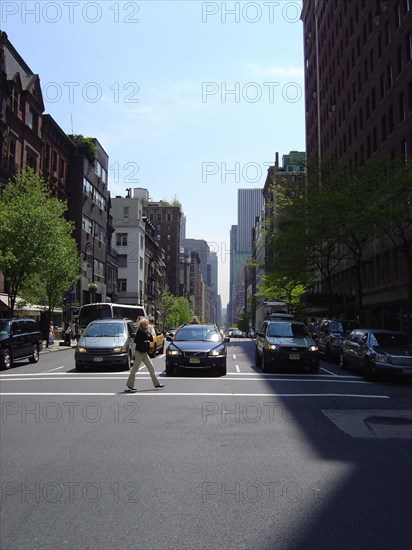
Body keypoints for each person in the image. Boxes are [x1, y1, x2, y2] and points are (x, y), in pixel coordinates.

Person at [126, 317, 164, 391]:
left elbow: (151, 339)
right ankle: (130, 384)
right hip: (140, 352)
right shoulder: (139, 332)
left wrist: (148, 334)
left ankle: (156, 384)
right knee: (135, 369)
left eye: (147, 324)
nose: (146, 325)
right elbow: (136, 341)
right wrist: (145, 341)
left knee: (151, 367)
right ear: (142, 325)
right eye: (145, 324)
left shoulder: (146, 332)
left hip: (144, 352)